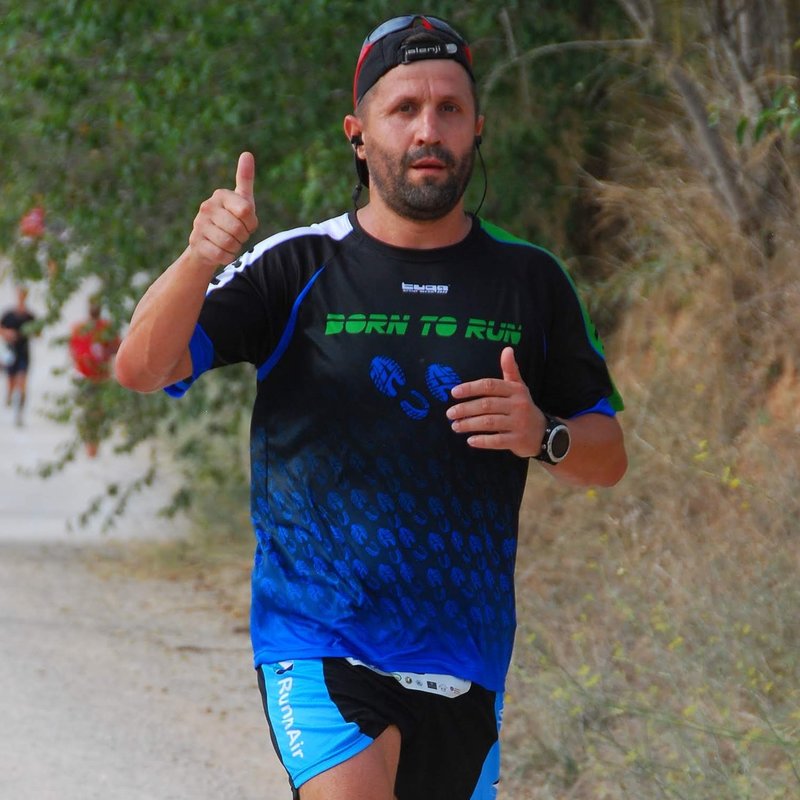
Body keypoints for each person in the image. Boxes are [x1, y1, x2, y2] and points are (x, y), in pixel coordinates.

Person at [115, 14, 627, 800]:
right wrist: (199, 259)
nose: (429, 130)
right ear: (358, 135)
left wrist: (545, 434)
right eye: (404, 109)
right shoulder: (298, 265)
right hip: (319, 635)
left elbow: (608, 456)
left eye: (450, 109)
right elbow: (143, 367)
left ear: (478, 128)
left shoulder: (532, 281)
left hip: (466, 654)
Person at [68, 297, 120, 457]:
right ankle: (91, 444)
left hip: (101, 377)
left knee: (98, 411)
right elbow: (73, 351)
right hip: (85, 377)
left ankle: (93, 442)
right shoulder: (80, 328)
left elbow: (117, 348)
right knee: (90, 410)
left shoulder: (107, 328)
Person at [1, 285, 36, 427]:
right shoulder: (9, 314)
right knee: (11, 383)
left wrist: (32, 331)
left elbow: (38, 333)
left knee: (22, 384)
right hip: (10, 352)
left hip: (23, 353)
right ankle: (9, 396)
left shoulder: (29, 316)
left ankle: (19, 413)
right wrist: (7, 333)